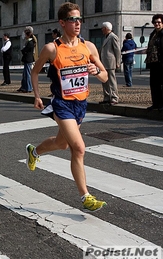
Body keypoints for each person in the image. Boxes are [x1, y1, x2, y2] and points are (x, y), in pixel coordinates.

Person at [27, 2, 108, 212]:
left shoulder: (88, 47)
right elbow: (34, 72)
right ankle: (85, 196)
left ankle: (34, 152)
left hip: (81, 104)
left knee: (62, 144)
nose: (77, 23)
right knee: (79, 148)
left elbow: (105, 76)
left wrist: (95, 71)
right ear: (62, 23)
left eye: (79, 19)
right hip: (62, 104)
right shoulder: (52, 49)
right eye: (72, 19)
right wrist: (37, 96)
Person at [144, 14, 163, 111]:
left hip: (161, 63)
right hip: (153, 62)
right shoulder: (153, 34)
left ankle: (161, 105)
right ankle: (155, 103)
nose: (157, 24)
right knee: (154, 84)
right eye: (155, 22)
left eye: (159, 22)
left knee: (161, 84)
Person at [100, 22, 121, 105]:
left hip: (110, 62)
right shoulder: (106, 37)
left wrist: (118, 62)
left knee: (111, 81)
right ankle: (107, 97)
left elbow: (117, 50)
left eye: (102, 28)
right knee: (104, 80)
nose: (101, 30)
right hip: (104, 62)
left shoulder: (113, 37)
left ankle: (114, 97)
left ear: (106, 28)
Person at [18, 26, 36, 93]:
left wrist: (23, 50)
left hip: (28, 59)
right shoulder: (28, 42)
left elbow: (26, 50)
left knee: (28, 74)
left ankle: (28, 88)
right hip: (27, 59)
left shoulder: (30, 42)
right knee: (25, 74)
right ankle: (24, 87)